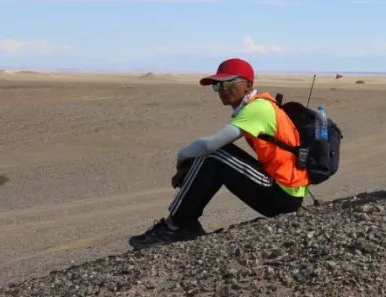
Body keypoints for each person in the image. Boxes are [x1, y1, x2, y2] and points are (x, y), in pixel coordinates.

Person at [129, 58, 308, 248]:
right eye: (217, 85)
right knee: (214, 155)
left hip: (282, 197)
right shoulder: (259, 106)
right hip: (285, 192)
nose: (222, 89)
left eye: (229, 83)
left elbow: (210, 145)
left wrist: (182, 156)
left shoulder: (258, 108)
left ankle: (175, 225)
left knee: (214, 154)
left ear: (248, 85)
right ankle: (187, 223)